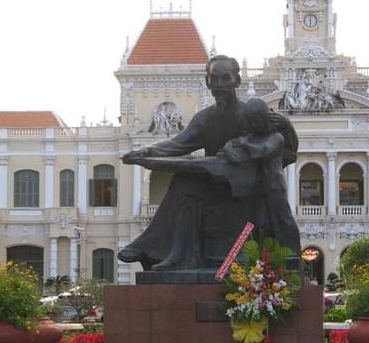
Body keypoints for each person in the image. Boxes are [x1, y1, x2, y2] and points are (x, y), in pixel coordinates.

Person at [119, 55, 298, 271]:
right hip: (215, 183)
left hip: (249, 193)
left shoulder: (251, 114)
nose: (220, 85)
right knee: (184, 182)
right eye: (215, 78)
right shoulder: (204, 119)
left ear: (236, 81)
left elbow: (286, 149)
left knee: (191, 175)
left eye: (225, 78)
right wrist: (145, 152)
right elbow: (176, 145)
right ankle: (175, 255)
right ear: (208, 82)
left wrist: (286, 125)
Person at [217, 98, 300, 253]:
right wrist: (230, 147)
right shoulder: (249, 138)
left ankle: (291, 256)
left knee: (283, 220)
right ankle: (246, 260)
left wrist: (243, 145)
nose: (253, 125)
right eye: (250, 122)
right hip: (254, 190)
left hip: (273, 188)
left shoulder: (276, 138)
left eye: (255, 121)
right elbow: (230, 151)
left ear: (264, 119)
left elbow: (263, 151)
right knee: (254, 224)